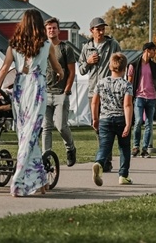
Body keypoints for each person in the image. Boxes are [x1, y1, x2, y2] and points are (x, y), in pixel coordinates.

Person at [0, 9, 64, 197]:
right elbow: (57, 68)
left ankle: (40, 181)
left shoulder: (13, 45)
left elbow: (4, 70)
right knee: (29, 136)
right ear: (39, 25)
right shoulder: (47, 45)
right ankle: (18, 180)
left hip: (20, 90)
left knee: (27, 135)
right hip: (37, 89)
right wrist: (60, 74)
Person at [78, 17, 121, 171]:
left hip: (108, 91)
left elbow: (121, 64)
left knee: (107, 127)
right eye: (98, 29)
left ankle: (105, 161)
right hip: (92, 92)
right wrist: (88, 62)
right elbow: (81, 69)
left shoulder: (112, 45)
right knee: (97, 126)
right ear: (92, 31)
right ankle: (104, 157)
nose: (101, 32)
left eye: (103, 28)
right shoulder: (86, 48)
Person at [91, 52, 134, 186]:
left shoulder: (101, 83)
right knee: (124, 147)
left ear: (110, 66)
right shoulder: (126, 85)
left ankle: (99, 162)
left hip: (104, 119)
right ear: (124, 68)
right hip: (121, 118)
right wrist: (128, 124)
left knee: (105, 146)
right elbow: (127, 105)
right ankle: (123, 176)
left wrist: (95, 119)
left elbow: (94, 102)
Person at [41, 17, 78, 168]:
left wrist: (67, 90)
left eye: (54, 28)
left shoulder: (65, 48)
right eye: (49, 28)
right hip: (44, 93)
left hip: (60, 93)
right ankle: (46, 158)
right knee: (46, 127)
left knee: (61, 126)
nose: (51, 30)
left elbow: (71, 72)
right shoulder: (42, 47)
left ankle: (70, 148)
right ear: (46, 30)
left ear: (58, 30)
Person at [127, 42, 156, 159]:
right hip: (139, 97)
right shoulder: (133, 65)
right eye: (153, 50)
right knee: (139, 121)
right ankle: (135, 147)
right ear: (147, 50)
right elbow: (129, 83)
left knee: (149, 124)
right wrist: (128, 98)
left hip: (151, 98)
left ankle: (144, 149)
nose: (155, 52)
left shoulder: (155, 66)